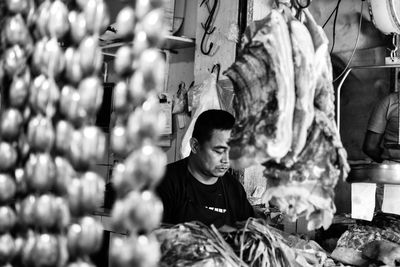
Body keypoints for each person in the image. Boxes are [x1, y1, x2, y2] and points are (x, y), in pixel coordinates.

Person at [156, 109, 254, 228]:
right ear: (195, 146)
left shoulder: (234, 189)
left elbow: (248, 233)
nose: (226, 160)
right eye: (219, 151)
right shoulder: (165, 182)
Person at [363, 92, 400, 211]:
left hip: (393, 172)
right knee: (391, 224)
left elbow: (370, 146)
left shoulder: (389, 102)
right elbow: (370, 147)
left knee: (391, 225)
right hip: (393, 175)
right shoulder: (389, 102)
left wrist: (390, 161)